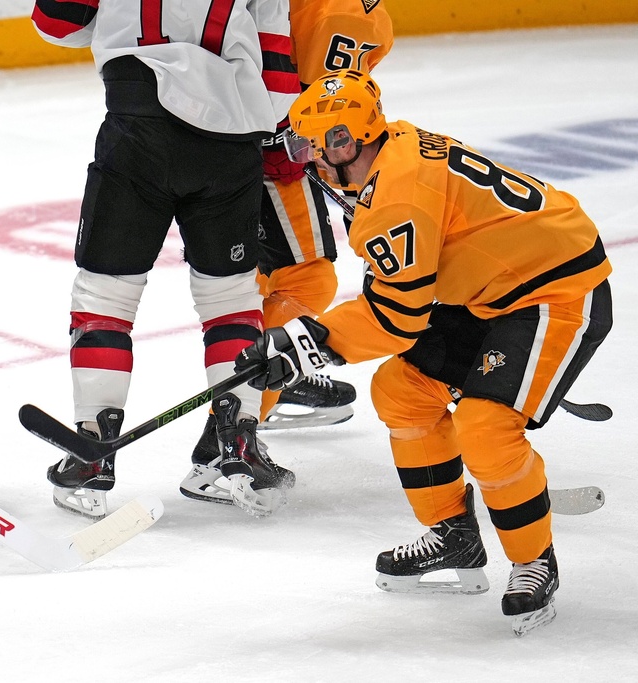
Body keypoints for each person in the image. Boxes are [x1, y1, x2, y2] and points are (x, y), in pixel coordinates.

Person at [234, 69, 612, 634]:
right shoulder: (395, 147)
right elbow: (403, 296)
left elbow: (395, 318)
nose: (304, 160)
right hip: (493, 289)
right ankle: (452, 536)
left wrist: (303, 344)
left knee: (486, 429)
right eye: (298, 145)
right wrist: (305, 341)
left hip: (554, 291)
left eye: (311, 146)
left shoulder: (396, 197)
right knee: (401, 391)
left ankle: (534, 560)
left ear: (346, 142)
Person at [30, 0, 301, 518]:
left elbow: (54, 23)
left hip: (137, 127)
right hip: (230, 139)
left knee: (104, 294)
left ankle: (92, 450)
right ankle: (235, 446)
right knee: (231, 299)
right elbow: (280, 76)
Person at [185, 0, 394, 504]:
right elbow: (312, 102)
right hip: (268, 153)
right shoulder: (364, 15)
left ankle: (268, 385)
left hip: (205, 136)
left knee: (256, 282)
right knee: (306, 279)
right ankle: (232, 429)